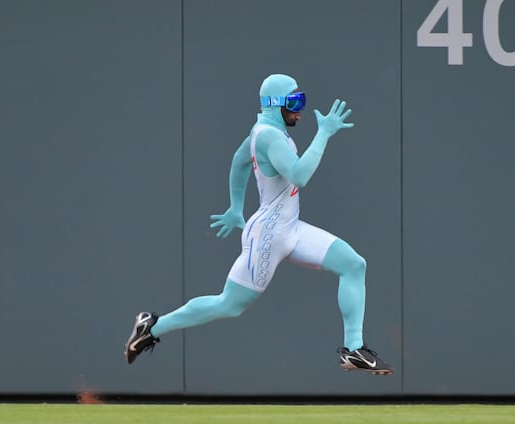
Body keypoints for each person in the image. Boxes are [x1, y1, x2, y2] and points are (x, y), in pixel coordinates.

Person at [124, 73, 393, 375]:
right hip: (269, 235)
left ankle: (354, 349)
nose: (300, 109)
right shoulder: (270, 136)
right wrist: (324, 134)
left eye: (301, 99)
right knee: (229, 305)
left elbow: (239, 161)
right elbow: (300, 175)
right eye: (294, 101)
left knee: (354, 264)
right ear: (275, 104)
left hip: (289, 227)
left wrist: (235, 208)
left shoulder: (262, 130)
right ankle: (153, 326)